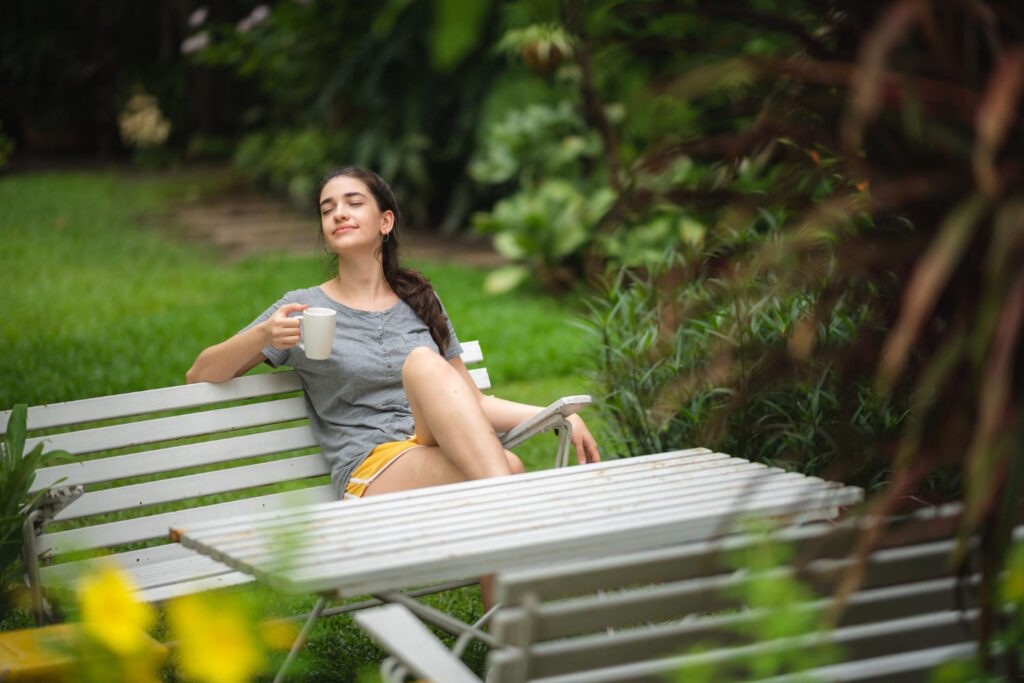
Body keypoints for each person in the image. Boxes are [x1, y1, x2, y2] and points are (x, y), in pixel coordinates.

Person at [187, 166, 600, 505]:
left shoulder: (420, 299)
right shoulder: (301, 307)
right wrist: (264, 332)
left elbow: (472, 401)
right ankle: (521, 577)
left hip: (431, 443)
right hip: (372, 469)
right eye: (327, 208)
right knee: (505, 469)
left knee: (424, 366)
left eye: (353, 203)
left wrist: (557, 415)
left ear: (386, 221)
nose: (338, 214)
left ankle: (508, 602)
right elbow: (200, 374)